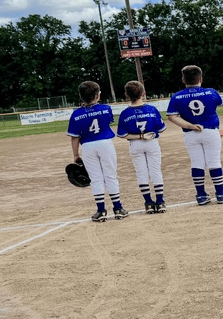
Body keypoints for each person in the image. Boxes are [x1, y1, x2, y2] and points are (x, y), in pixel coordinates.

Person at [166, 65, 223, 205]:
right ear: (200, 78)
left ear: (183, 79)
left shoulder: (177, 96)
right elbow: (219, 103)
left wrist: (190, 125)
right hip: (210, 131)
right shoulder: (211, 92)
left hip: (191, 133)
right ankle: (220, 193)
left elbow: (172, 116)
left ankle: (201, 195)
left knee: (197, 163)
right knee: (214, 162)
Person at [67, 81, 128, 222]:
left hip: (87, 146)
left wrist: (76, 155)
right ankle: (118, 208)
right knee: (111, 176)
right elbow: (108, 122)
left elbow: (74, 138)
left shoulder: (76, 114)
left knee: (95, 178)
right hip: (105, 144)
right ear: (96, 95)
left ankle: (101, 211)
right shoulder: (106, 108)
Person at [116, 80, 168, 214]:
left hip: (135, 144)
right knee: (155, 171)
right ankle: (160, 202)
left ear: (127, 95)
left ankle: (148, 203)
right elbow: (162, 129)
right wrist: (147, 134)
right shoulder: (151, 109)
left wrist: (139, 136)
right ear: (143, 94)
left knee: (141, 172)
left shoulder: (125, 113)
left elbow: (122, 134)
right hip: (151, 142)